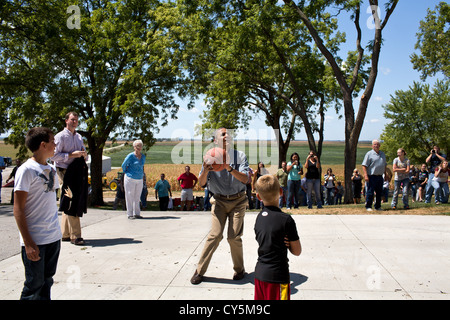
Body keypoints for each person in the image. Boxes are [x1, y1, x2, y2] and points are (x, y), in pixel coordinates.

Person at [191, 128, 250, 285]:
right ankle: (199, 270)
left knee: (233, 237)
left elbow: (245, 179)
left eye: (228, 134)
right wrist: (205, 169)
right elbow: (202, 183)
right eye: (223, 134)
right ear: (216, 140)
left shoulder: (240, 156)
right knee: (215, 235)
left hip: (238, 201)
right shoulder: (210, 157)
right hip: (219, 201)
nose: (227, 135)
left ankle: (239, 270)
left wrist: (228, 167)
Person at [13, 127, 62, 300]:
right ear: (43, 145)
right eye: (52, 141)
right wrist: (27, 242)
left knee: (47, 282)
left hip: (53, 237)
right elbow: (18, 209)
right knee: (33, 286)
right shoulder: (26, 170)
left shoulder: (52, 169)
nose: (55, 144)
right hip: (35, 240)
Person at [253, 174, 301, 300]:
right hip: (277, 277)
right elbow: (297, 251)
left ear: (258, 197)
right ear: (281, 192)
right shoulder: (286, 220)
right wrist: (288, 243)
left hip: (259, 275)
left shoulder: (258, 218)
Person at [52, 111, 87, 245]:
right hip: (64, 171)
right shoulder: (60, 137)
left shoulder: (78, 137)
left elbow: (83, 152)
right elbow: (53, 156)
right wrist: (72, 155)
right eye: (72, 120)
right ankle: (76, 236)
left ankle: (65, 234)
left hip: (76, 172)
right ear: (66, 121)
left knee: (68, 199)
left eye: (76, 120)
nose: (74, 122)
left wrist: (84, 155)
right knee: (72, 199)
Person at [121, 139, 146, 219]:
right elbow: (123, 165)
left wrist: (143, 175)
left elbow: (142, 167)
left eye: (140, 146)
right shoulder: (130, 156)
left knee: (137, 197)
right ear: (134, 147)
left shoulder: (143, 157)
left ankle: (137, 213)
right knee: (129, 195)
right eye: (137, 146)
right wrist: (127, 172)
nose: (139, 148)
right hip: (130, 178)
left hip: (139, 179)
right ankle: (130, 214)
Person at [361, 140, 387, 212]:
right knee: (370, 192)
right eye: (375, 144)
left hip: (380, 176)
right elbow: (364, 165)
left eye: (378, 144)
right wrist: (365, 175)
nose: (376, 146)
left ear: (379, 146)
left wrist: (385, 174)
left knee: (379, 192)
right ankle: (368, 206)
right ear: (372, 146)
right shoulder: (369, 154)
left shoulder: (382, 154)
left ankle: (378, 206)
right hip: (371, 176)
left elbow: (384, 165)